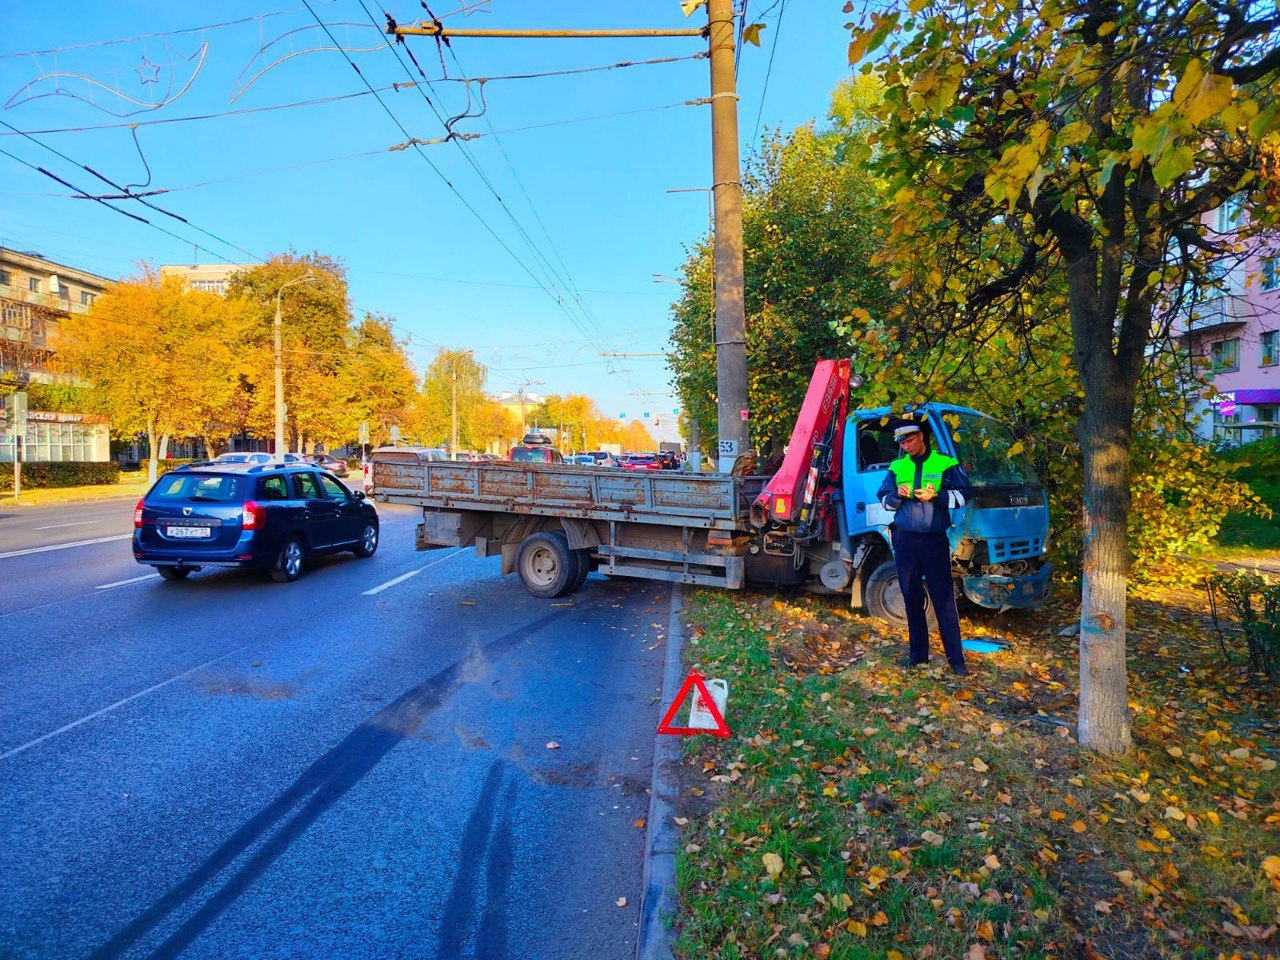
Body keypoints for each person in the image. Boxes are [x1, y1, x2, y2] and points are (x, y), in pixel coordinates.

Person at [876, 421, 974, 675]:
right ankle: (918, 656)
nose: (905, 447)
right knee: (911, 598)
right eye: (901, 444)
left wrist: (938, 496)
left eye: (909, 441)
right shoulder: (897, 467)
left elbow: (966, 494)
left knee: (943, 600)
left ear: (921, 436)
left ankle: (956, 661)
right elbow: (884, 501)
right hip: (905, 540)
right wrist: (896, 495)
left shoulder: (945, 463)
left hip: (933, 541)